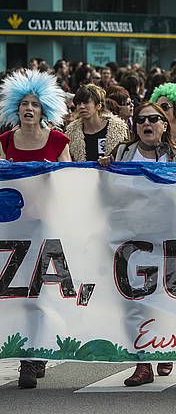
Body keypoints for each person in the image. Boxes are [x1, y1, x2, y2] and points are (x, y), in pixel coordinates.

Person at [98, 102, 176, 386]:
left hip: (168, 237)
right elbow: (106, 192)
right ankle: (142, 364)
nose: (146, 124)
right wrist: (101, 170)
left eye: (153, 119)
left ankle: (165, 343)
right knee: (134, 301)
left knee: (166, 295)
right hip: (132, 239)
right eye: (140, 120)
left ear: (165, 125)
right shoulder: (123, 153)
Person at [0, 70, 71, 389]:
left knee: (42, 291)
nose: (29, 108)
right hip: (14, 231)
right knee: (17, 293)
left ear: (45, 109)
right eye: (24, 103)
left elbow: (72, 181)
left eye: (35, 104)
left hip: (48, 227)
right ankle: (28, 353)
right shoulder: (4, 142)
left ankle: (33, 356)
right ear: (16, 108)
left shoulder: (58, 141)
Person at [65, 84, 130, 161]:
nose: (81, 106)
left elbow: (127, 158)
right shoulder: (71, 133)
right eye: (78, 103)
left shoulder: (119, 129)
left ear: (98, 106)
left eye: (86, 102)